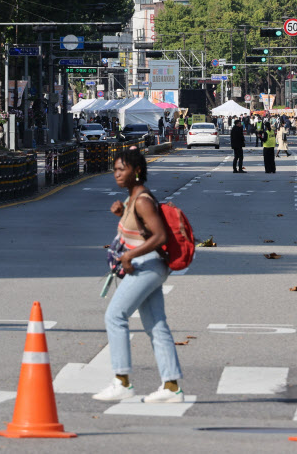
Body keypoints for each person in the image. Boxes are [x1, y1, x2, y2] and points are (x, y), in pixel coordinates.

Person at [93, 148, 184, 403]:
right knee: (156, 325)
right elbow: (141, 232)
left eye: (122, 169)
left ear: (138, 171)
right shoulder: (133, 199)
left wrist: (129, 257)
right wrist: (122, 214)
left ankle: (122, 381)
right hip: (148, 265)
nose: (117, 174)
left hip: (147, 266)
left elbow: (160, 236)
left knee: (115, 315)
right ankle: (171, 386)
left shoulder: (143, 199)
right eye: (115, 170)